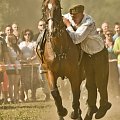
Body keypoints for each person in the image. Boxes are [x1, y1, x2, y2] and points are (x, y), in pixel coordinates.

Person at [63, 4, 111, 120]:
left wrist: (68, 25)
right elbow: (63, 16)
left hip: (99, 55)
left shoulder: (88, 22)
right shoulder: (72, 17)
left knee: (100, 82)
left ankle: (104, 104)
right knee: (90, 84)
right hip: (87, 56)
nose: (73, 19)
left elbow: (76, 38)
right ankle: (91, 107)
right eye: (72, 16)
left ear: (81, 14)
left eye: (75, 17)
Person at [34, 19, 51, 101]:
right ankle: (47, 94)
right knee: (42, 80)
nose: (43, 27)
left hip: (50, 61)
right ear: (38, 27)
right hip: (40, 62)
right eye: (41, 25)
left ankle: (50, 95)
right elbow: (36, 49)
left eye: (44, 25)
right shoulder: (36, 36)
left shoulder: (50, 35)